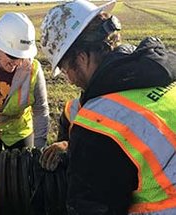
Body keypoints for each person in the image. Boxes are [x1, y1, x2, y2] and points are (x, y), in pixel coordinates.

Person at [40, 0, 176, 214]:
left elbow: (90, 208)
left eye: (66, 70)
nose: (70, 81)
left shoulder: (99, 128)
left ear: (82, 58)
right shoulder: (161, 72)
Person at [0, 12, 49, 152]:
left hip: (18, 133)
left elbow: (40, 110)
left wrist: (39, 150)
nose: (18, 63)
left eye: (23, 56)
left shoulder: (33, 70)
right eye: (13, 56)